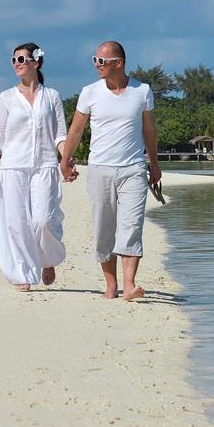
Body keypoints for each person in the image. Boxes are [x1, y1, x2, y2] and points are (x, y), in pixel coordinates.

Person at [59, 40, 161, 301]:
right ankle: (111, 283)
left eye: (102, 61)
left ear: (119, 63)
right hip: (99, 169)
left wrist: (155, 164)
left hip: (133, 169)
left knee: (132, 225)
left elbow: (149, 130)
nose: (97, 65)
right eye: (95, 60)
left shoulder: (142, 91)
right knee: (104, 228)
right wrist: (65, 159)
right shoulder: (89, 92)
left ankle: (129, 284)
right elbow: (76, 129)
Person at [0, 42, 68, 291]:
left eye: (22, 59)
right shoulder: (6, 98)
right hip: (12, 167)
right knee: (18, 223)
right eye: (14, 60)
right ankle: (22, 274)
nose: (17, 64)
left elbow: (60, 135)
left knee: (43, 219)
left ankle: (47, 259)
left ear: (36, 62)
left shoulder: (51, 96)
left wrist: (66, 159)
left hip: (44, 166)